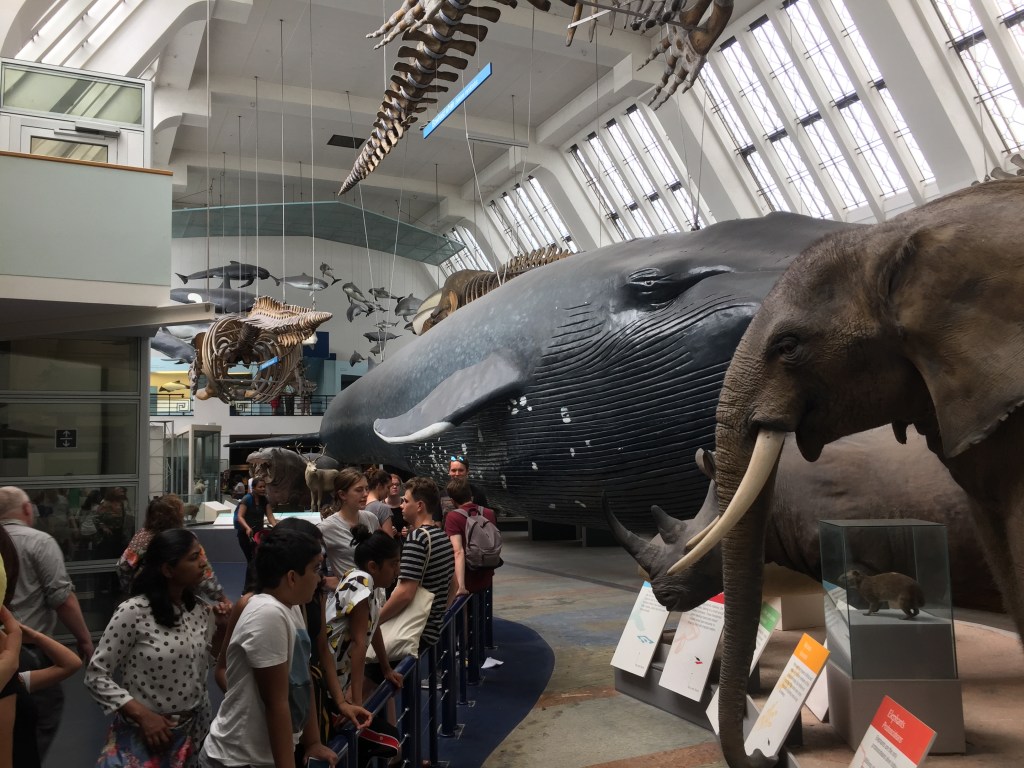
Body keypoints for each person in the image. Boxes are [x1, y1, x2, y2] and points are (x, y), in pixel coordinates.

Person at [201, 527, 358, 768]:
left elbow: (302, 681)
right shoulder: (268, 614)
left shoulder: (290, 606)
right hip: (238, 759)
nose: (319, 578)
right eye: (315, 569)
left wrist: (313, 741)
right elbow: (277, 703)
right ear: (292, 577)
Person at [85, 529, 222, 768]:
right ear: (168, 570)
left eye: (201, 555)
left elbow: (202, 666)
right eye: (193, 558)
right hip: (144, 736)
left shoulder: (199, 610)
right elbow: (96, 675)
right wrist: (143, 715)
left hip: (192, 734)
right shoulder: (134, 612)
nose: (203, 563)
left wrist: (221, 629)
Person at [0, 486, 93, 761]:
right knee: (35, 723)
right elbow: (63, 599)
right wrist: (85, 640)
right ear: (28, 509)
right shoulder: (40, 541)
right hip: (29, 654)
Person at [326, 526, 403, 707]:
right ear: (373, 566)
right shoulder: (362, 581)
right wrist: (357, 703)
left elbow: (373, 626)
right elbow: (358, 643)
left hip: (337, 677)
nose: (397, 571)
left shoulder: (368, 584)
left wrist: (386, 669)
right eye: (393, 564)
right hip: (329, 679)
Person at [378, 478, 455, 654]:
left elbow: (405, 593)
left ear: (419, 505)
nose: (402, 506)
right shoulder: (442, 537)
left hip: (413, 630)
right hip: (431, 628)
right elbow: (454, 585)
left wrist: (375, 620)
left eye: (406, 501)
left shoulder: (417, 538)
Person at [118, 494, 228, 608]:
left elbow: (123, 565)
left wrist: (130, 590)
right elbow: (205, 573)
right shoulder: (185, 538)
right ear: (176, 516)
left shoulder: (142, 536)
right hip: (180, 599)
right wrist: (222, 598)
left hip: (146, 600)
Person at [318, 469, 379, 581]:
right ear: (342, 494)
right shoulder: (327, 527)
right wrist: (324, 582)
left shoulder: (371, 518)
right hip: (349, 595)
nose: (365, 494)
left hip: (375, 594)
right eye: (359, 490)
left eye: (366, 489)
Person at [443, 477, 498, 597]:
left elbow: (458, 551)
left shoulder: (453, 517)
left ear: (452, 501)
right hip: (486, 575)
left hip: (467, 577)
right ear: (470, 495)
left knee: (463, 613)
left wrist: (461, 586)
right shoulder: (489, 513)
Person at [233, 479, 277, 563]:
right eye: (260, 487)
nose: (263, 489)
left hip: (258, 534)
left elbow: (270, 516)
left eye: (264, 487)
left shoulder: (265, 500)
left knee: (259, 560)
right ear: (253, 488)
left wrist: (276, 527)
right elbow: (240, 516)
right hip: (246, 535)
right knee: (251, 560)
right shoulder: (247, 499)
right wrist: (247, 528)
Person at [363, 468, 397, 538]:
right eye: (388, 487)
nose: (388, 491)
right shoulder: (383, 508)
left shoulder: (360, 505)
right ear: (379, 486)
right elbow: (389, 541)